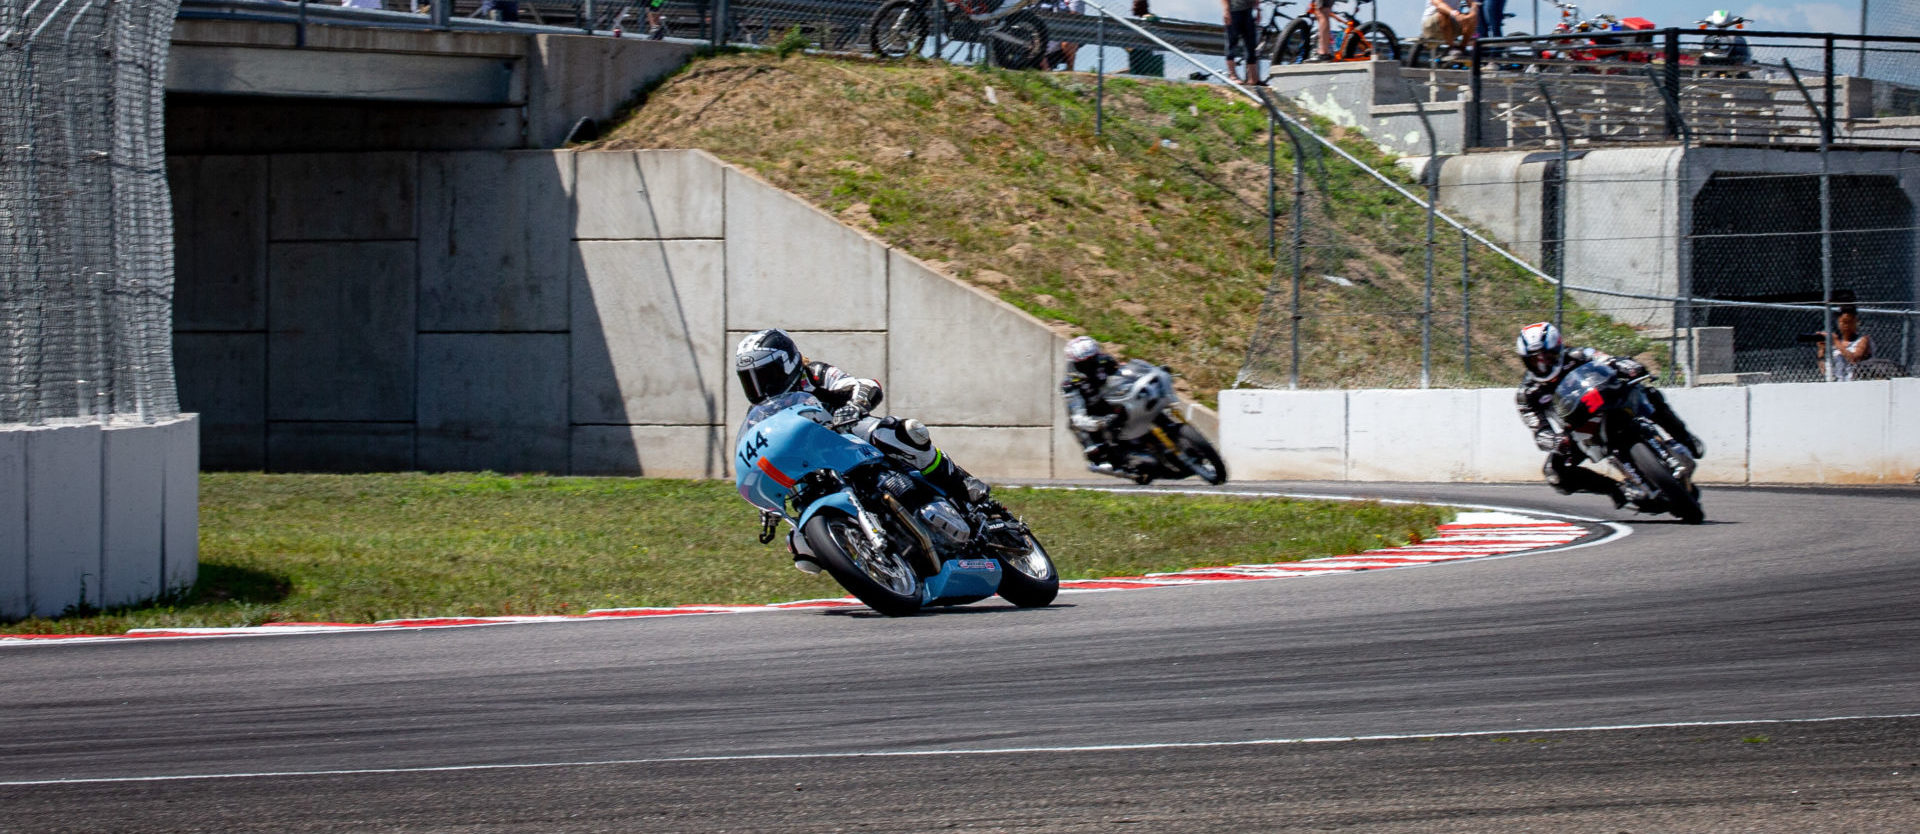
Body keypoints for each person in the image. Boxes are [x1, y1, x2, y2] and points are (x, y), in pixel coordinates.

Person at [735, 329, 993, 509]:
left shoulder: (813, 374)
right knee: (800, 548)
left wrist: (856, 405)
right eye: (751, 379)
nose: (761, 388)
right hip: (812, 461)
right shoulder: (760, 415)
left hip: (847, 434)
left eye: (766, 376)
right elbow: (760, 455)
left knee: (899, 431)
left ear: (788, 363)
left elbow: (864, 385)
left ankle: (960, 483)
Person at [1513, 322, 1704, 509]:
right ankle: (1616, 490)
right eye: (1534, 360)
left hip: (1609, 401)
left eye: (1547, 356)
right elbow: (1538, 429)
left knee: (1648, 391)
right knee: (1554, 473)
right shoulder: (1527, 394)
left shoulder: (1579, 355)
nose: (1542, 364)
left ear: (1559, 348)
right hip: (1579, 429)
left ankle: (1684, 438)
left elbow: (1608, 360)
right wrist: (1553, 440)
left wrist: (1627, 366)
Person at [1061, 336, 1126, 471]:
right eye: (1086, 362)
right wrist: (1099, 423)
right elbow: (1077, 415)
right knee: (1075, 425)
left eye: (1093, 358)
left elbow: (1124, 373)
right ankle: (1099, 458)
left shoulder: (1105, 361)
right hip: (1095, 413)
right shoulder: (1070, 384)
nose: (1091, 364)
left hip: (1116, 401)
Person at [1813, 304, 1873, 381]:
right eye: (1843, 322)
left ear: (1856, 322)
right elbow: (1825, 371)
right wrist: (1821, 351)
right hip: (1838, 383)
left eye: (1849, 322)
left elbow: (1854, 359)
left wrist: (1836, 342)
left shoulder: (1863, 340)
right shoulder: (1836, 344)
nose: (1846, 326)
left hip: (1856, 383)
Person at [1222, 0, 1262, 84]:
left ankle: (1253, 78)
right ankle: (1232, 75)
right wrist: (1226, 10)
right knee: (1232, 42)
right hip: (1234, 11)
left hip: (1248, 11)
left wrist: (1258, 10)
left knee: (1251, 45)